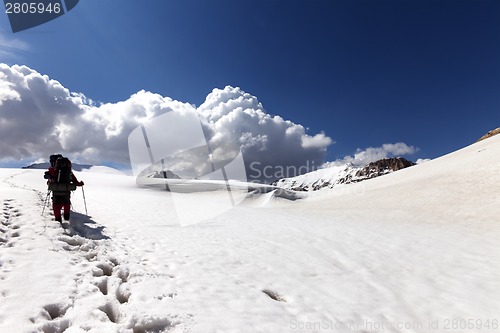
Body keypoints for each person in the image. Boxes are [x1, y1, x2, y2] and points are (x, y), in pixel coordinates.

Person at [45, 155, 84, 222]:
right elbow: (76, 182)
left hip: (56, 192)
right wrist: (80, 183)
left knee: (56, 206)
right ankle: (66, 217)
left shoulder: (52, 170)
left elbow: (49, 179)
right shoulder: (69, 172)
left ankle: (58, 220)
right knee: (66, 203)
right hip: (66, 191)